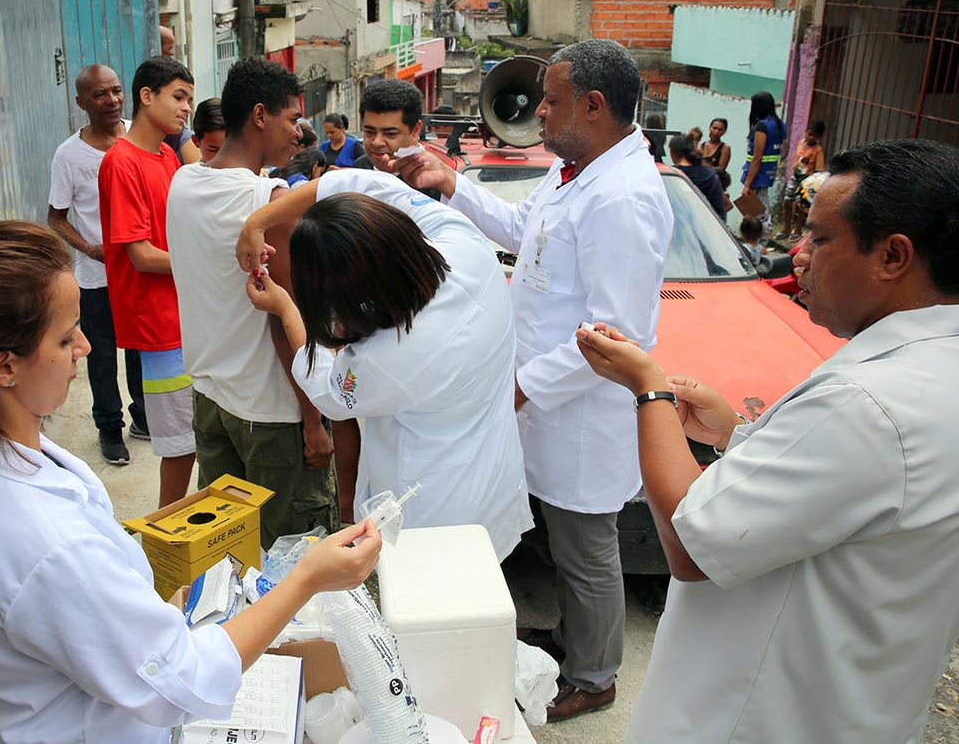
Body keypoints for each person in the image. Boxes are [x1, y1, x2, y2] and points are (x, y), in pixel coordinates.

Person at [0, 220, 382, 744]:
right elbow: (180, 681)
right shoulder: (46, 542)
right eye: (67, 337)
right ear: (5, 366)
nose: (87, 348)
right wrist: (308, 578)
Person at [573, 137, 959, 744]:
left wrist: (647, 389)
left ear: (893, 256)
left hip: (760, 717)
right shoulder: (932, 372)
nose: (798, 258)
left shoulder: (868, 402)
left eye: (821, 239)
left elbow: (692, 547)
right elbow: (845, 491)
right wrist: (735, 434)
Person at [398, 38, 674, 721]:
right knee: (559, 538)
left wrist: (520, 388)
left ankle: (595, 673)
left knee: (586, 548)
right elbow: (525, 230)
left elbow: (618, 336)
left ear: (594, 104)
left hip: (580, 416)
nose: (538, 113)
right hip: (545, 402)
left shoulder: (624, 197)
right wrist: (454, 185)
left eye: (552, 102)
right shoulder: (577, 170)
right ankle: (571, 639)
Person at [236, 172, 533, 562]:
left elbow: (328, 390)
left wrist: (285, 306)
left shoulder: (391, 354)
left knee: (430, 610)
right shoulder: (462, 244)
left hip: (430, 515)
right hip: (490, 480)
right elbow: (360, 183)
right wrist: (258, 222)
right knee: (481, 601)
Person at [167, 57, 341, 544]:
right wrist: (313, 421)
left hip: (211, 398)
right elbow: (281, 319)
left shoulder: (183, 184)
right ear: (260, 115)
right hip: (272, 416)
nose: (301, 135)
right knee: (294, 566)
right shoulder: (267, 204)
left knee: (231, 559)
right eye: (292, 119)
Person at [98, 56, 197, 507]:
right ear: (146, 96)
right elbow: (140, 254)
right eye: (178, 97)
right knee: (179, 448)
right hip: (158, 327)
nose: (185, 109)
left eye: (189, 101)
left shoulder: (167, 154)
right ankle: (166, 546)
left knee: (196, 439)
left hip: (184, 316)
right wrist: (203, 263)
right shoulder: (121, 162)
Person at [48, 65, 149, 465]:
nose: (111, 101)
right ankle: (110, 429)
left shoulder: (140, 137)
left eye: (116, 91)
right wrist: (90, 248)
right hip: (97, 277)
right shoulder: (69, 156)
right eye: (100, 95)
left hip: (141, 271)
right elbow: (56, 217)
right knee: (102, 356)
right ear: (81, 103)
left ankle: (144, 418)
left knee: (142, 349)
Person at [350, 81, 443, 200]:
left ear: (415, 130)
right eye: (369, 132)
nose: (377, 142)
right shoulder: (360, 168)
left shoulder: (434, 182)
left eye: (390, 134)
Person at [740, 92, 785, 225]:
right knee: (759, 209)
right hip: (767, 173)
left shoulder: (762, 126)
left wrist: (747, 184)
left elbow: (757, 157)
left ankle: (760, 239)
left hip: (757, 175)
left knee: (757, 213)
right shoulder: (778, 124)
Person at [779, 118, 827, 240]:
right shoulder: (801, 143)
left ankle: (798, 229)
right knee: (787, 201)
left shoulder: (818, 150)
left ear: (819, 137)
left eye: (815, 136)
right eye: (809, 134)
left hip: (807, 180)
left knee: (801, 205)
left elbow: (819, 169)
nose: (811, 137)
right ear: (806, 132)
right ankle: (786, 228)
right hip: (795, 177)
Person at [669, 134, 726, 218]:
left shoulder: (671, 175)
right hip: (705, 226)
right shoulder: (711, 176)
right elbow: (719, 211)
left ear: (671, 151)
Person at [191, 97, 226, 162]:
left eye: (228, 150)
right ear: (196, 141)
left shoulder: (244, 171)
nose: (222, 158)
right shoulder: (187, 172)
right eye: (213, 150)